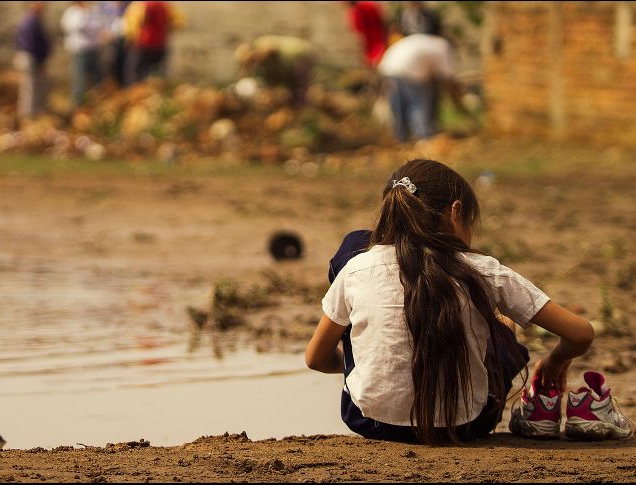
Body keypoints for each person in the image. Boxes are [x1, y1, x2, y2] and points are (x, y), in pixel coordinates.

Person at [306, 159, 595, 444]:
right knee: (504, 326)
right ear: (456, 212)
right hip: (468, 424)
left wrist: (370, 358)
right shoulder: (484, 270)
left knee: (357, 244)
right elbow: (581, 333)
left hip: (371, 421)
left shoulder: (357, 267)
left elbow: (316, 359)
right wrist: (556, 361)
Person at [377, 33, 466, 142]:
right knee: (418, 104)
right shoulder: (443, 46)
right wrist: (458, 100)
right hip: (409, 70)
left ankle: (401, 136)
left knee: (399, 104)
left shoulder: (428, 41)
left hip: (388, 67)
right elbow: (447, 77)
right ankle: (422, 135)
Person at [235, 35, 315, 109]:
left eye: (251, 61)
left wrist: (258, 56)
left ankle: (300, 108)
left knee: (298, 87)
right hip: (290, 65)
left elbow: (270, 48)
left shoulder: (260, 43)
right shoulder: (263, 66)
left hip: (300, 56)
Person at [123, 1, 185, 85]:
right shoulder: (166, 5)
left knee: (136, 72)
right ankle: (160, 92)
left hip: (142, 44)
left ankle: (135, 91)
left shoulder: (139, 5)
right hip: (160, 44)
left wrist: (130, 39)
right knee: (159, 73)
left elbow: (131, 26)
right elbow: (179, 22)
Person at [61, 1, 104, 107]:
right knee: (80, 78)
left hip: (93, 48)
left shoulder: (92, 11)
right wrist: (86, 23)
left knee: (96, 76)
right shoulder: (71, 12)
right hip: (79, 50)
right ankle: (78, 103)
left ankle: (96, 100)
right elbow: (73, 26)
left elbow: (98, 25)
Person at [15, 1, 52, 119]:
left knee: (33, 86)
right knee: (30, 87)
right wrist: (40, 61)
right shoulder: (31, 22)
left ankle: (35, 111)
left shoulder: (31, 20)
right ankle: (28, 115)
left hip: (29, 56)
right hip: (30, 57)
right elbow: (32, 45)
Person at [345, 1, 388, 68]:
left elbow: (382, 25)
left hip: (379, 48)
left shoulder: (366, 7)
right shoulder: (354, 12)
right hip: (374, 50)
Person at [99, 1, 131, 85]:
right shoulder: (104, 4)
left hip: (125, 37)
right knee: (112, 63)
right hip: (110, 38)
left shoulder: (129, 4)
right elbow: (100, 19)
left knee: (126, 62)